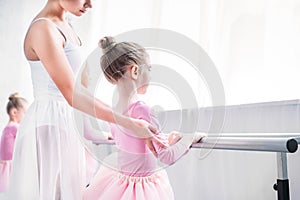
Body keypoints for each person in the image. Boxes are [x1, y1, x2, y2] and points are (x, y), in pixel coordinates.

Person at [5, 1, 165, 199]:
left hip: (68, 122)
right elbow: (72, 94)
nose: (89, 4)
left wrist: (93, 130)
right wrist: (129, 123)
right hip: (48, 125)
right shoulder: (43, 28)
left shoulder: (67, 25)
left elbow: (81, 91)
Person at [83, 36, 206, 200]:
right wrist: (190, 138)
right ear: (135, 71)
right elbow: (166, 156)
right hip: (140, 189)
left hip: (119, 183)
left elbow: (139, 145)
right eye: (148, 68)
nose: (151, 75)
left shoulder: (114, 111)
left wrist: (168, 140)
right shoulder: (142, 110)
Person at [0, 93, 28, 192]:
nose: (26, 117)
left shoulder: (7, 128)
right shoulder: (15, 127)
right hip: (11, 164)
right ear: (14, 112)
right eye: (25, 113)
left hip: (4, 164)